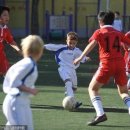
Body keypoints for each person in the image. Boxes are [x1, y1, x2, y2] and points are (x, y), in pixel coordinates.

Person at [74, 11, 130, 126]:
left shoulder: (99, 32)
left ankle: (100, 114)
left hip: (107, 64)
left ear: (100, 21)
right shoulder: (118, 33)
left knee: (92, 89)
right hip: (120, 64)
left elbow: (91, 44)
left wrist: (80, 57)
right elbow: (127, 44)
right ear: (113, 21)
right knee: (124, 92)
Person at [2, 35, 44, 130]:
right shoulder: (28, 64)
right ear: (40, 51)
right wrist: (30, 90)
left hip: (22, 101)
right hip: (15, 102)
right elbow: (14, 82)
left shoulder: (29, 63)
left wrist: (29, 90)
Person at [44, 32, 90, 109]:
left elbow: (84, 58)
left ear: (76, 43)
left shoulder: (77, 51)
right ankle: (73, 102)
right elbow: (50, 46)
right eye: (70, 43)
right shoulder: (61, 48)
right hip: (63, 68)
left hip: (72, 71)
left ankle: (68, 93)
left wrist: (87, 58)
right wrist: (39, 45)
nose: (71, 45)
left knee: (74, 88)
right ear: (66, 41)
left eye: (74, 43)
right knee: (68, 82)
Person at [0, 6, 21, 76]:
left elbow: (11, 41)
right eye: (4, 15)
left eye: (8, 15)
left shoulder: (5, 29)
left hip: (1, 55)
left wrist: (19, 50)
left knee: (6, 73)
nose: (7, 17)